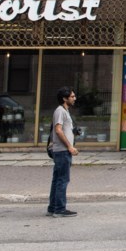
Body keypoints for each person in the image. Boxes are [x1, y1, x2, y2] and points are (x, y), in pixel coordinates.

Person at [47, 86, 78, 218]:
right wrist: (70, 147)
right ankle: (59, 209)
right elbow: (58, 130)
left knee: (57, 179)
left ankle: (52, 207)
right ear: (65, 98)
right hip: (62, 151)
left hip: (61, 150)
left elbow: (63, 129)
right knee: (62, 180)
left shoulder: (65, 111)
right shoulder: (60, 111)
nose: (74, 98)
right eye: (72, 96)